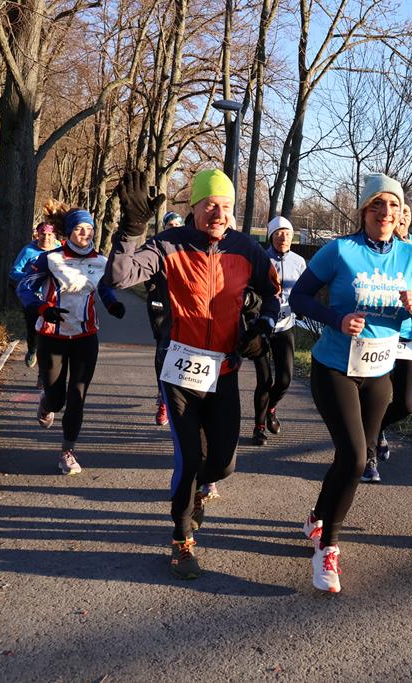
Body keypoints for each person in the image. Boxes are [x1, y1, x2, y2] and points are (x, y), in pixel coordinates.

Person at [106, 169, 280, 580]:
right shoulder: (169, 245)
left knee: (222, 463)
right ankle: (181, 539)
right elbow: (119, 275)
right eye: (209, 205)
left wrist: (262, 328)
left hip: (224, 370)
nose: (217, 213)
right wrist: (131, 229)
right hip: (179, 371)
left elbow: (273, 295)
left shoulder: (247, 249)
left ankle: (200, 489)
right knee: (188, 457)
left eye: (224, 206)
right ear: (194, 208)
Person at [290, 173, 412, 593]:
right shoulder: (340, 251)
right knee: (354, 458)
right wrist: (336, 318)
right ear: (363, 212)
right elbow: (299, 298)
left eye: (392, 205)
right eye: (376, 206)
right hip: (335, 368)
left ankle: (317, 519)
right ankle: (327, 550)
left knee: (349, 459)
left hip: (380, 375)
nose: (385, 213)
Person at [17, 203, 125, 476]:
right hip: (53, 336)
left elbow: (104, 289)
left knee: (78, 395)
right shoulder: (51, 259)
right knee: (57, 400)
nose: (85, 234)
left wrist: (113, 305)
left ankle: (67, 451)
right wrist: (42, 308)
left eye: (89, 229)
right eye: (79, 229)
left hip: (86, 337)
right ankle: (46, 401)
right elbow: (24, 285)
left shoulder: (100, 261)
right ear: (68, 232)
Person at [361, 202, 412, 483]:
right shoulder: (374, 249)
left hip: (406, 336)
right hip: (376, 335)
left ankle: (376, 427)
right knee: (374, 397)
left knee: (406, 403)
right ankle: (369, 458)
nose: (403, 216)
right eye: (399, 211)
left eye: (407, 212)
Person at [251, 216, 307, 446]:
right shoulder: (261, 259)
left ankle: (271, 408)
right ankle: (259, 426)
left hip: (286, 326)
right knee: (264, 380)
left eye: (287, 233)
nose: (283, 237)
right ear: (271, 236)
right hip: (262, 325)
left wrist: (304, 306)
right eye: (278, 233)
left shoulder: (299, 261)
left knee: (284, 379)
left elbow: (306, 289)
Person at [146, 211, 185, 427]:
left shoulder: (187, 245)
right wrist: (153, 289)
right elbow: (146, 272)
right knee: (162, 348)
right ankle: (163, 398)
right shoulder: (157, 245)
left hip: (183, 309)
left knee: (180, 348)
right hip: (159, 305)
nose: (173, 227)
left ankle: (179, 395)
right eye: (169, 224)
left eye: (176, 224)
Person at [10, 222, 60, 369]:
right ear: (37, 234)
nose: (46, 237)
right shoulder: (28, 251)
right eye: (43, 234)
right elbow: (14, 272)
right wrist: (31, 276)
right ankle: (32, 350)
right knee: (34, 331)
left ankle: (43, 375)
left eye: (49, 234)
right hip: (33, 297)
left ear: (54, 235)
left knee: (51, 336)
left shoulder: (59, 249)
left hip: (53, 297)